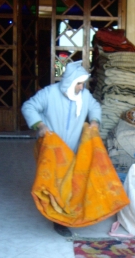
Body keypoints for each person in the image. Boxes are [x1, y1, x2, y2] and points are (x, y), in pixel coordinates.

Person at [22, 60, 102, 237]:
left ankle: (64, 214)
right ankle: (58, 220)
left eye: (83, 83)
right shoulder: (49, 93)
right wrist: (40, 125)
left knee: (69, 183)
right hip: (51, 149)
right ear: (70, 82)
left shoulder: (85, 96)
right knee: (54, 184)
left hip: (72, 149)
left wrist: (95, 120)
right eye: (79, 83)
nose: (82, 87)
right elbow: (29, 106)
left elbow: (94, 107)